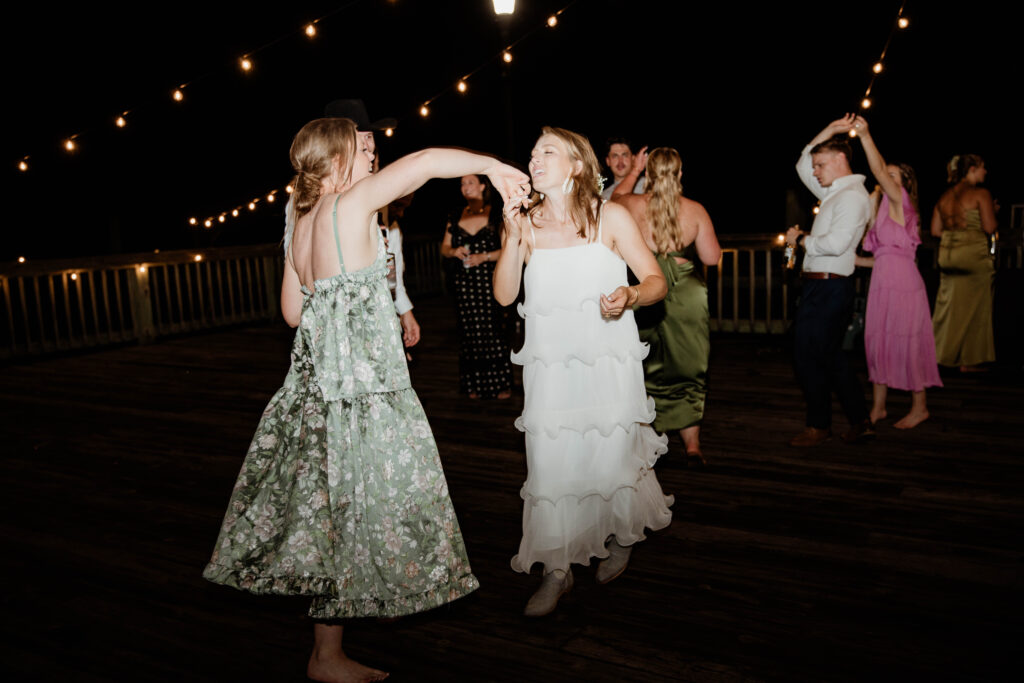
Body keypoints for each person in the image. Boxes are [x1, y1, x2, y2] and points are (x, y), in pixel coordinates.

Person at [203, 117, 530, 682]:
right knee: (379, 514)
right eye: (359, 150)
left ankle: (326, 655)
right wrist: (493, 165)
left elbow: (292, 312)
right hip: (364, 396)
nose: (370, 159)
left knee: (335, 522)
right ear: (335, 162)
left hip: (317, 397)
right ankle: (337, 645)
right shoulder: (349, 205)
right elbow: (426, 162)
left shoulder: (302, 222)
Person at [495, 126, 672, 617]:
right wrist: (511, 236)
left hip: (607, 363)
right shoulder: (524, 222)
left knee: (611, 458)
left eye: (546, 152)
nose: (534, 159)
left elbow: (655, 280)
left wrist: (631, 296)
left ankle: (621, 536)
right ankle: (556, 569)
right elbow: (505, 295)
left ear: (576, 165)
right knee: (552, 466)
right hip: (550, 369)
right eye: (531, 153)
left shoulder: (610, 216)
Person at [613, 148, 721, 463]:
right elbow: (712, 258)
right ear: (680, 174)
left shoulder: (630, 204)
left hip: (645, 288)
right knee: (689, 366)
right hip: (687, 293)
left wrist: (633, 171)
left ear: (648, 173)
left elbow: (613, 199)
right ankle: (692, 445)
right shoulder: (695, 210)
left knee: (641, 363)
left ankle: (643, 437)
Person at [786, 115, 873, 447]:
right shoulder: (834, 192)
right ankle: (859, 421)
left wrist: (802, 239)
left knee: (810, 355)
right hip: (819, 286)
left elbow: (836, 245)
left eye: (821, 165)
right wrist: (832, 130)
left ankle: (819, 425)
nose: (815, 171)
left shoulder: (852, 197)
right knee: (828, 355)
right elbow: (801, 163)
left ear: (840, 161)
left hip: (830, 287)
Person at [850, 116, 942, 428]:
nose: (885, 178)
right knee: (878, 342)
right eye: (885, 175)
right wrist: (852, 261)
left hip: (903, 285)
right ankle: (879, 407)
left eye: (892, 175)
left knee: (908, 342)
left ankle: (920, 407)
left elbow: (876, 169)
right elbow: (882, 258)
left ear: (903, 184)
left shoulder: (901, 202)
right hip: (882, 282)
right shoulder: (880, 213)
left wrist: (865, 135)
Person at [439, 175, 513, 399]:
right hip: (464, 283)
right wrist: (454, 252)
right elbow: (444, 247)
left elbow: (508, 250)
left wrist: (485, 257)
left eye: (470, 182)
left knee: (494, 331)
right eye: (462, 184)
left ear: (483, 186)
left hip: (490, 281)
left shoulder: (496, 214)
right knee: (469, 333)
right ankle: (473, 384)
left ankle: (501, 384)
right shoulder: (455, 215)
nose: (465, 187)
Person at [930, 154, 998, 371]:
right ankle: (970, 361)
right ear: (972, 169)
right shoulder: (981, 194)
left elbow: (935, 231)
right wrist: (993, 212)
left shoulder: (944, 197)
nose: (985, 172)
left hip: (948, 255)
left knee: (948, 307)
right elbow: (989, 227)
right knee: (978, 306)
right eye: (982, 167)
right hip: (972, 254)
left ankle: (938, 354)